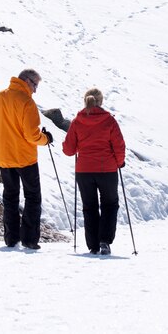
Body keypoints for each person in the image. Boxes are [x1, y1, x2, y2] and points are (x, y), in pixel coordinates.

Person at [0, 69, 53, 249]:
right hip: (25, 158)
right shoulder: (26, 103)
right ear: (26, 81)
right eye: (35, 85)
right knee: (32, 197)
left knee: (10, 197)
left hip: (4, 156)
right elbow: (32, 136)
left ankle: (11, 239)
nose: (35, 90)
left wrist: (1, 134)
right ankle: (29, 239)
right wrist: (46, 139)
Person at [62, 87, 125, 255]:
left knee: (89, 207)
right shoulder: (109, 121)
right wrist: (119, 163)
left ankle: (93, 245)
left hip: (84, 171)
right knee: (110, 205)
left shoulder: (77, 121)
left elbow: (68, 150)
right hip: (107, 170)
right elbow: (119, 146)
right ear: (101, 102)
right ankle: (105, 241)